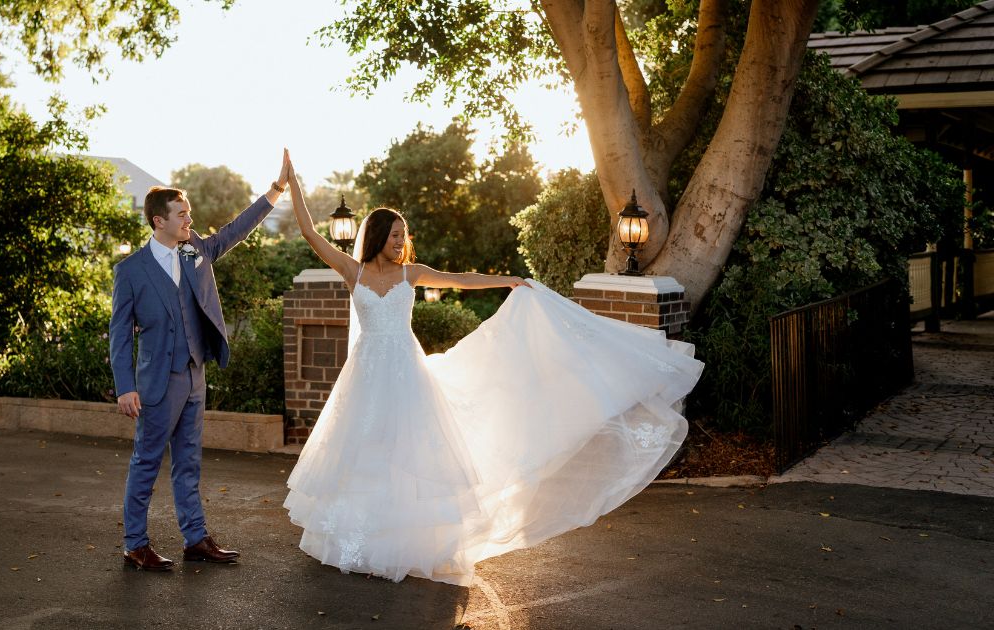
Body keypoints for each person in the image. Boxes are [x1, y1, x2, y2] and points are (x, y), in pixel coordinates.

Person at [280, 150, 704, 585]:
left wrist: (506, 281)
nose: (399, 241)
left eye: (402, 235)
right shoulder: (354, 272)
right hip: (366, 376)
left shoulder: (412, 274)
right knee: (364, 453)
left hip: (407, 372)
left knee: (409, 455)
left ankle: (405, 544)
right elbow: (310, 232)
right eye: (393, 235)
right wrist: (292, 184)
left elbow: (461, 279)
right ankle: (358, 540)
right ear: (376, 239)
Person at [109, 152, 291, 571]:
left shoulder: (195, 252)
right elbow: (120, 334)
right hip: (155, 383)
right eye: (182, 214)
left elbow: (236, 229)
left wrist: (276, 190)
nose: (189, 220)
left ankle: (195, 538)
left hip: (195, 376)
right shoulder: (130, 271)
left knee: (189, 462)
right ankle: (135, 544)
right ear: (159, 220)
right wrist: (125, 386)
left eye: (188, 213)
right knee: (147, 463)